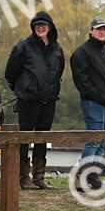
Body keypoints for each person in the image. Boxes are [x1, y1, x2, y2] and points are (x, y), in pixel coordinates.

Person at [5, 11, 64, 190]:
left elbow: (59, 72)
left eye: (44, 24)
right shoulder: (23, 46)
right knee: (24, 138)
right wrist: (23, 90)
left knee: (42, 137)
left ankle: (39, 177)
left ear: (50, 27)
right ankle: (22, 177)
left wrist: (52, 90)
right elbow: (10, 73)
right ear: (33, 27)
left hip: (48, 101)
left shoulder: (57, 49)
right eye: (37, 24)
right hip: (28, 101)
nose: (41, 27)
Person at [71, 16, 105, 189]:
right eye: (98, 28)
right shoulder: (82, 52)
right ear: (91, 30)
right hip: (93, 103)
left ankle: (92, 176)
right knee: (94, 140)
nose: (102, 31)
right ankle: (81, 176)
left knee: (103, 141)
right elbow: (82, 81)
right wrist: (98, 95)